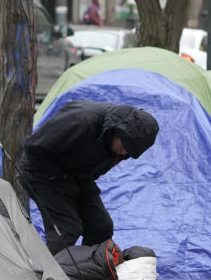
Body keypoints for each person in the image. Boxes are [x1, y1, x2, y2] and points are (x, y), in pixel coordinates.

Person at [17, 101, 159, 255]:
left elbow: (100, 166)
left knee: (100, 227)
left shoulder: (125, 146)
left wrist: (75, 182)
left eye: (130, 152)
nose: (124, 153)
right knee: (67, 228)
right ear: (116, 132)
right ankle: (47, 275)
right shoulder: (81, 121)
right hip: (40, 171)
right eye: (124, 147)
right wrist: (62, 179)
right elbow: (33, 148)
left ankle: (86, 269)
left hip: (78, 174)